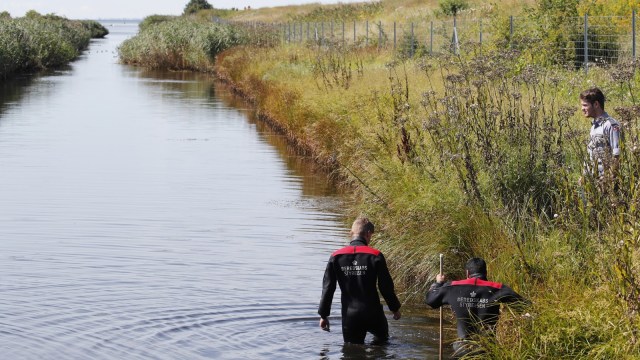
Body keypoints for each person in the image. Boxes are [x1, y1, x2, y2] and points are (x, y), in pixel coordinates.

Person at [318, 217, 401, 344]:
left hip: (350, 316)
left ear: (351, 233)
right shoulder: (375, 255)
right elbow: (386, 286)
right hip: (374, 314)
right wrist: (394, 308)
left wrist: (324, 315)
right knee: (382, 347)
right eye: (371, 236)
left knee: (352, 352)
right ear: (368, 234)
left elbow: (328, 288)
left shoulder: (336, 257)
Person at [426, 257, 527, 358]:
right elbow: (525, 306)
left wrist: (438, 283)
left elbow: (430, 300)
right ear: (486, 272)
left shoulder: (452, 287)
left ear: (467, 273)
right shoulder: (498, 288)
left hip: (463, 349)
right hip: (488, 349)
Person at [580, 87, 622, 180]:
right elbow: (591, 154)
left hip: (605, 182)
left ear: (596, 104)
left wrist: (607, 181)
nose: (582, 109)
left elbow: (617, 156)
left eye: (585, 105)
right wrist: (584, 176)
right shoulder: (594, 126)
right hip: (593, 181)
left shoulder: (611, 125)